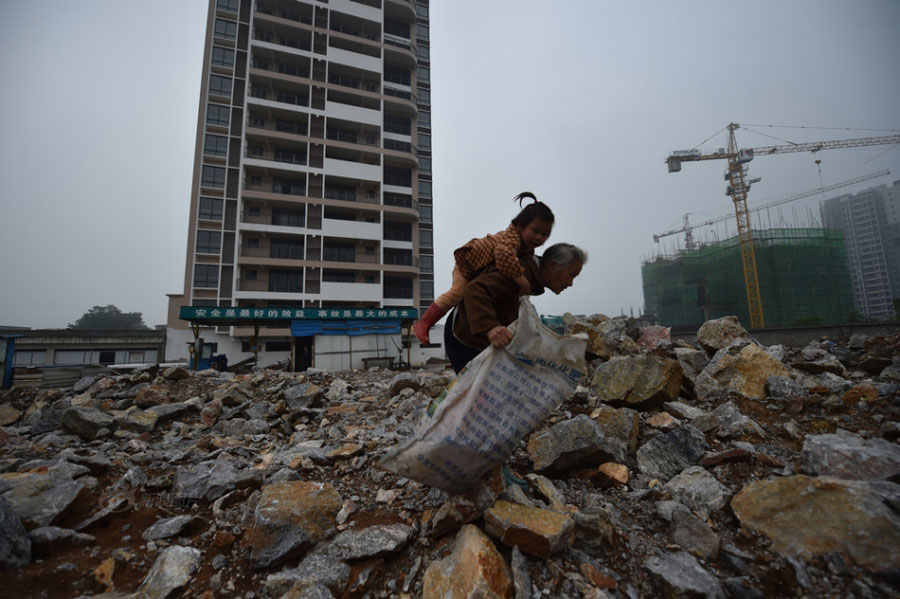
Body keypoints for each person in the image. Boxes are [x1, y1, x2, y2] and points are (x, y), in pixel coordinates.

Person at [413, 192, 555, 344]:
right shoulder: (511, 238)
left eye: (545, 234)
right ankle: (424, 323)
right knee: (457, 293)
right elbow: (503, 256)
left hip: (480, 269)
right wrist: (522, 281)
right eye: (535, 231)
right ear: (520, 225)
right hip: (467, 266)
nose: (539, 237)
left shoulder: (526, 247)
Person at [443, 242, 587, 374]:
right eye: (572, 275)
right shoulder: (518, 271)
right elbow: (474, 290)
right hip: (464, 339)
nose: (570, 283)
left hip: (477, 339)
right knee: (475, 396)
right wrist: (490, 328)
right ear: (553, 266)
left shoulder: (530, 277)